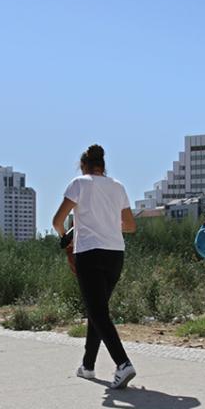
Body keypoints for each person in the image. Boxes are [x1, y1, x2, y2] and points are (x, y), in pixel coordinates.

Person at [52, 144, 138, 389]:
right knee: (97, 310)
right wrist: (108, 224)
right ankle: (87, 366)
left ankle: (123, 363)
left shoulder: (79, 183)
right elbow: (130, 226)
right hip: (115, 254)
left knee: (98, 311)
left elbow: (57, 220)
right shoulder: (118, 187)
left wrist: (65, 236)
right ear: (103, 166)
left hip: (89, 253)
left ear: (83, 165)